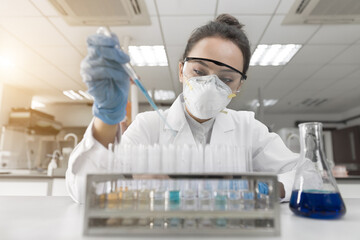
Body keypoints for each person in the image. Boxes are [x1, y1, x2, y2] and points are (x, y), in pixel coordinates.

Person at [66, 14, 299, 204]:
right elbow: (84, 190)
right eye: (199, 71)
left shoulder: (248, 128)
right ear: (181, 71)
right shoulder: (149, 126)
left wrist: (260, 188)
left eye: (226, 79)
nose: (209, 86)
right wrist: (106, 117)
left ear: (238, 86)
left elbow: (305, 175)